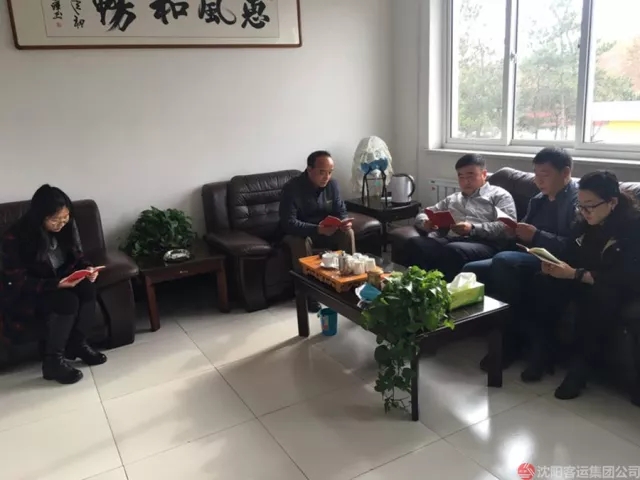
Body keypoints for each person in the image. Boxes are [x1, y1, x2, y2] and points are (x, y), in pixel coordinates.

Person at [518, 171, 640, 401]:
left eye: (590, 206)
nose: (584, 212)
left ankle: (579, 370)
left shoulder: (633, 228)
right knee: (543, 281)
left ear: (612, 202)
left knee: (600, 296)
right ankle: (542, 352)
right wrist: (555, 265)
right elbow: (570, 253)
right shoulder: (584, 222)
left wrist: (576, 274)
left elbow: (627, 275)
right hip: (581, 277)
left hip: (614, 285)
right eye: (580, 205)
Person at [462, 147, 578, 370]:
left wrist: (536, 235)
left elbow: (574, 247)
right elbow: (523, 230)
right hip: (527, 254)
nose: (538, 181)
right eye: (536, 174)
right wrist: (514, 232)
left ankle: (509, 343)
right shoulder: (538, 199)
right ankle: (479, 331)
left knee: (504, 262)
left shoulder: (576, 202)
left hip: (557, 261)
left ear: (565, 173)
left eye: (544, 175)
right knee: (471, 269)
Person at [1, 185, 107, 385]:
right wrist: (55, 284)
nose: (61, 223)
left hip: (60, 282)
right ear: (40, 216)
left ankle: (77, 344)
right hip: (31, 292)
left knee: (87, 287)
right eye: (55, 219)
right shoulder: (15, 237)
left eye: (65, 217)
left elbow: (77, 256)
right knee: (66, 301)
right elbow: (17, 280)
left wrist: (88, 269)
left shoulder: (65, 228)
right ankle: (53, 362)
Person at [397, 153, 516, 281]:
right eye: (461, 177)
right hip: (452, 239)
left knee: (453, 250)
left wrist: (472, 228)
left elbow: (508, 226)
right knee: (416, 243)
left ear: (484, 174)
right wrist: (425, 222)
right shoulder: (453, 198)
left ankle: (444, 290)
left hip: (485, 243)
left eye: (470, 176)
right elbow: (424, 212)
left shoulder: (499, 195)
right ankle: (415, 286)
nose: (465, 181)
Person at [280, 150, 355, 311]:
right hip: (298, 232)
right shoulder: (291, 188)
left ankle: (349, 283)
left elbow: (341, 210)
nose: (326, 177)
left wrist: (343, 222)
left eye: (330, 172)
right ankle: (309, 294)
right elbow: (288, 223)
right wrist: (317, 230)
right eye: (322, 172)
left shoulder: (332, 185)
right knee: (301, 241)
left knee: (347, 233)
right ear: (309, 169)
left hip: (325, 230)